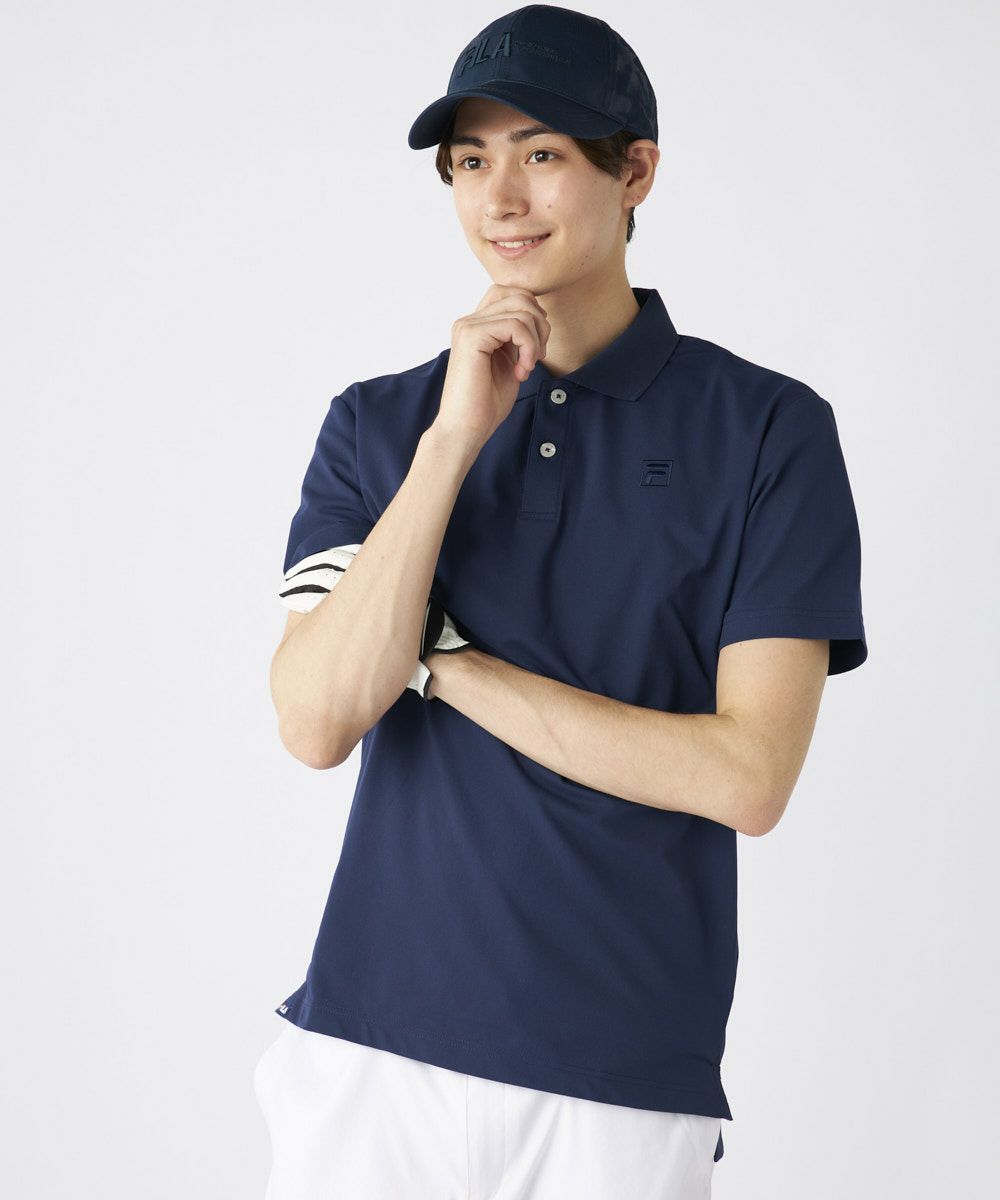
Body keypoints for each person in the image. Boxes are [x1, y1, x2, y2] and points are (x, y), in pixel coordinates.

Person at [255, 5, 868, 1198]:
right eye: (467, 162)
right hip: (369, 1054)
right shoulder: (380, 424)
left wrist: (442, 663)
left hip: (618, 1081)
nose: (500, 197)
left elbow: (747, 778)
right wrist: (451, 442)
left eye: (539, 153)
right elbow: (317, 720)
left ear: (634, 171)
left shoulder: (766, 431)